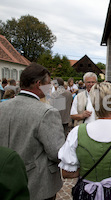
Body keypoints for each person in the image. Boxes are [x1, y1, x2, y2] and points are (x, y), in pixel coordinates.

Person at [0, 63, 66, 199]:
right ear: (38, 84)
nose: (49, 88)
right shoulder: (47, 112)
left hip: (4, 179)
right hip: (36, 184)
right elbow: (56, 152)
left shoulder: (2, 106)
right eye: (48, 83)